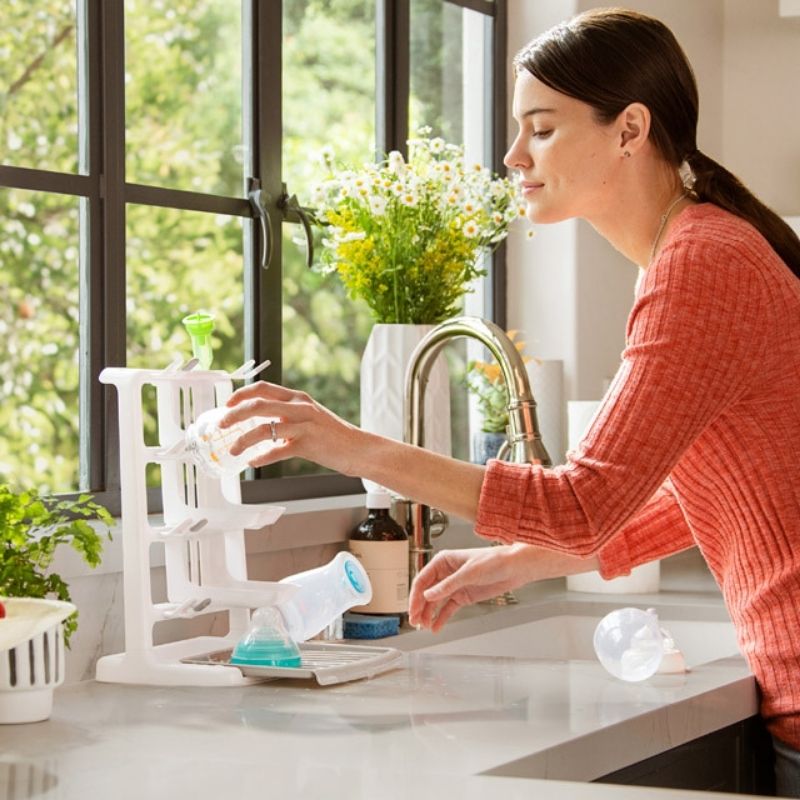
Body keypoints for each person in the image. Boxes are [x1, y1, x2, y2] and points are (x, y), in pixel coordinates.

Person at [221, 9, 800, 796]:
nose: (513, 155)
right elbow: (706, 497)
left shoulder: (700, 265)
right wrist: (514, 562)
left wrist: (345, 443)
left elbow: (583, 506)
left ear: (630, 130)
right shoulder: (698, 249)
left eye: (543, 129)